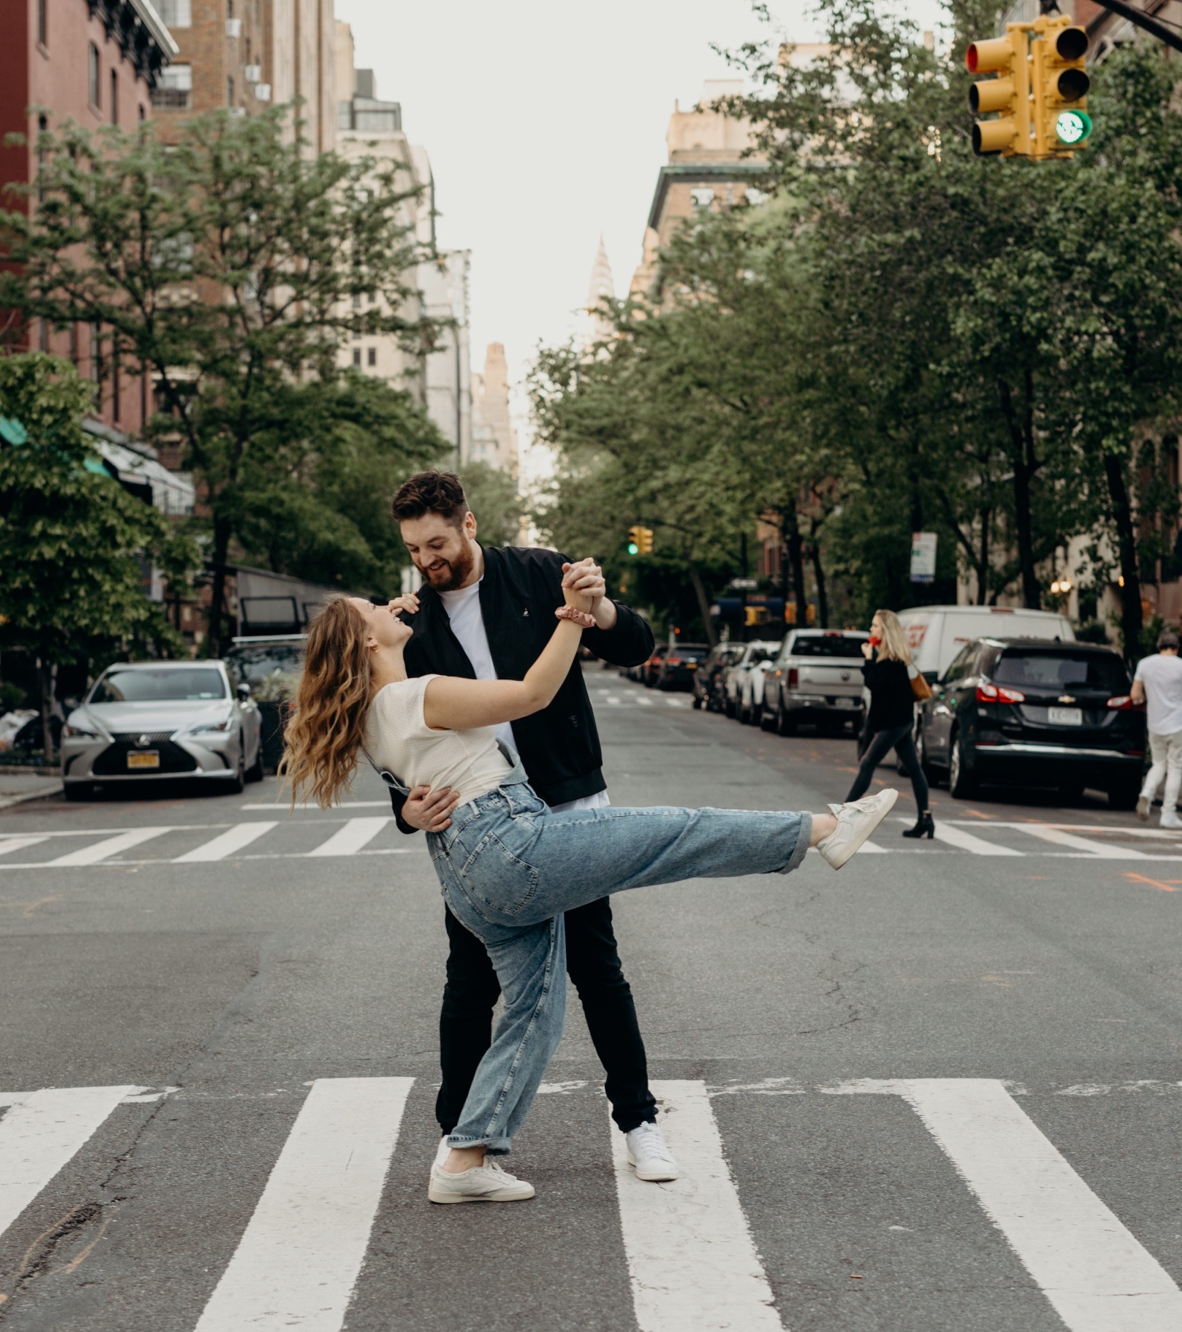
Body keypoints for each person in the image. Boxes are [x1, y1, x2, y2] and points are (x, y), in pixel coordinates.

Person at [284, 579, 899, 1204]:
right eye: (371, 608)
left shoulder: (374, 710)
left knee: (534, 1011)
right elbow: (531, 694)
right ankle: (823, 830)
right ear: (364, 637)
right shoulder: (420, 694)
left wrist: (377, 617)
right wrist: (574, 618)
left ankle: (465, 1158)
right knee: (674, 834)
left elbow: (382, 655)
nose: (388, 601)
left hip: (468, 871)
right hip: (509, 844)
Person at [380, 470, 673, 1185]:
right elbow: (399, 736)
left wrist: (598, 608)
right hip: (479, 822)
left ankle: (638, 1121)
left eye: (438, 543)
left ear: (469, 524)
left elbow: (637, 644)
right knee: (470, 980)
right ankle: (458, 1135)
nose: (427, 560)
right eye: (415, 548)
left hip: (565, 804)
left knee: (597, 968)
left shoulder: (541, 573)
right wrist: (404, 809)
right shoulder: (410, 621)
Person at [843, 608, 933, 839]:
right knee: (913, 768)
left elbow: (876, 686)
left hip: (894, 723)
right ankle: (926, 818)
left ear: (885, 630)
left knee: (867, 762)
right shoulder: (893, 659)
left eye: (874, 626)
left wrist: (867, 659)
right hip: (901, 722)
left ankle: (842, 817)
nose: (871, 629)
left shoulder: (891, 661)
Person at [1131, 629, 1182, 829]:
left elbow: (1135, 694)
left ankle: (1147, 793)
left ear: (1159, 646)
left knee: (1158, 764)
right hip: (1177, 723)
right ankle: (1168, 813)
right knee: (1175, 768)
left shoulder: (1144, 664)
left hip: (1155, 723)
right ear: (1177, 647)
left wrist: (1150, 697)